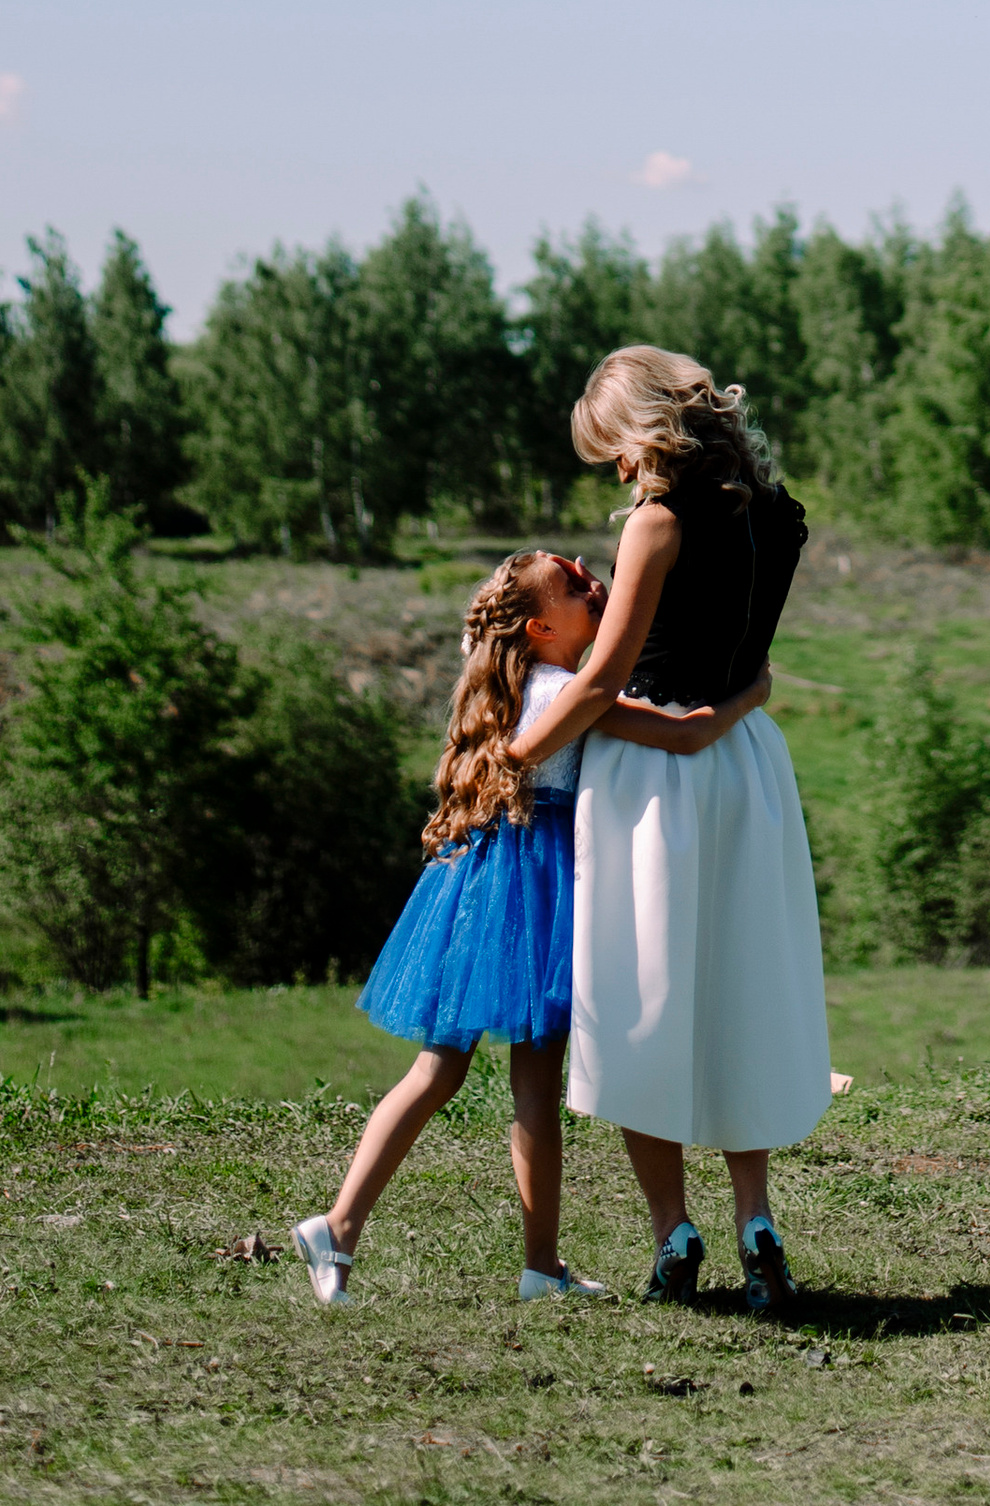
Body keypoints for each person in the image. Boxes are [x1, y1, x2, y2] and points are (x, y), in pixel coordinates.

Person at [293, 546, 764, 1307]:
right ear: (543, 626)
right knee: (531, 1087)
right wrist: (750, 693)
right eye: (572, 582)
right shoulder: (566, 692)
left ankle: (347, 1229)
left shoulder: (533, 685)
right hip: (534, 884)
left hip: (485, 880)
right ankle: (528, 1263)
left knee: (440, 1069)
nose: (587, 573)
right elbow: (683, 735)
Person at [511, 348, 827, 1319]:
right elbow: (755, 667)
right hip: (746, 761)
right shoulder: (774, 515)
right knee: (737, 990)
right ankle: (756, 1217)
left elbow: (605, 681)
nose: (613, 470)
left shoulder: (656, 524)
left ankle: (671, 1230)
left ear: (641, 431)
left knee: (641, 997)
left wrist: (514, 755)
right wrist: (733, 711)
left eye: (609, 446)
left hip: (653, 777)